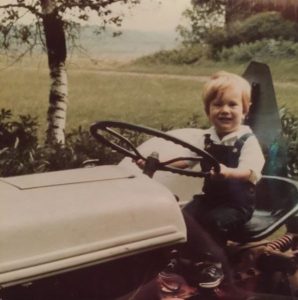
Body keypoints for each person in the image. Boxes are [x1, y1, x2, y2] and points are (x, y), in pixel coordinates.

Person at [136, 71, 265, 290]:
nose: (224, 110)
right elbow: (186, 160)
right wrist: (158, 163)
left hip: (237, 204)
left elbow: (251, 171)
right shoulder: (207, 138)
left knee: (214, 221)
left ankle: (213, 264)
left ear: (245, 109)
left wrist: (228, 172)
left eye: (232, 105)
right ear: (208, 110)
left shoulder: (247, 140)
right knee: (184, 215)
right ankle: (180, 258)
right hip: (211, 197)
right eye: (217, 105)